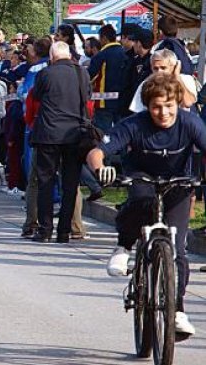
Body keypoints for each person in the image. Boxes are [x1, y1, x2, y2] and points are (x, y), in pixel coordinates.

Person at [88, 73, 205, 337]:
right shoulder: (135, 125)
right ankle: (124, 246)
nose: (163, 113)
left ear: (177, 103)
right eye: (156, 107)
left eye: (168, 106)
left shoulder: (190, 123)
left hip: (178, 184)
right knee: (141, 200)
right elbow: (97, 152)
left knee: (178, 251)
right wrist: (101, 168)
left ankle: (176, 310)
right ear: (147, 106)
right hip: (142, 179)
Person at [26, 41, 89, 243]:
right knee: (70, 184)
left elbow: (36, 95)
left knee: (46, 181)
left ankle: (45, 230)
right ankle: (64, 231)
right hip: (74, 134)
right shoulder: (82, 73)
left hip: (49, 134)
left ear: (52, 57)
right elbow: (87, 97)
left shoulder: (46, 73)